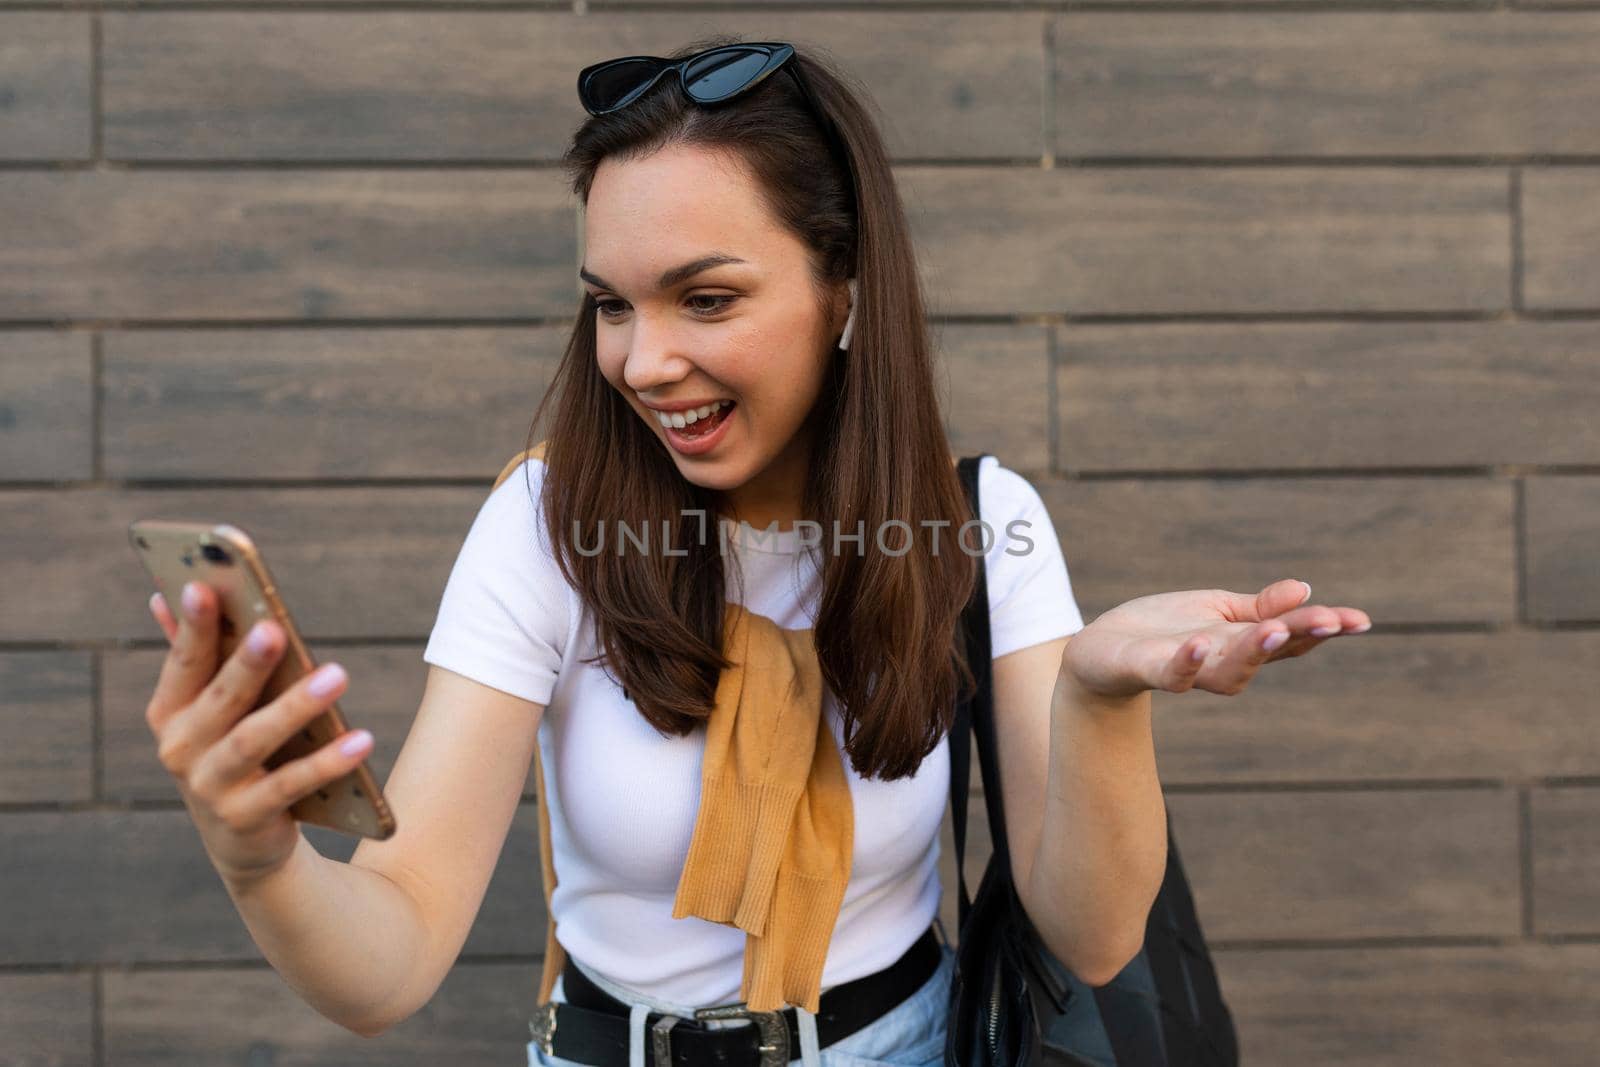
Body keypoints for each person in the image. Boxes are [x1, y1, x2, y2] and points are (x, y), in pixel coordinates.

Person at [138, 34, 1373, 1067]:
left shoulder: (978, 522)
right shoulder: (546, 523)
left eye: (706, 298)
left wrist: (1100, 697)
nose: (643, 360)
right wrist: (262, 855)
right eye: (612, 304)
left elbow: (1094, 936)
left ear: (842, 288)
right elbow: (391, 955)